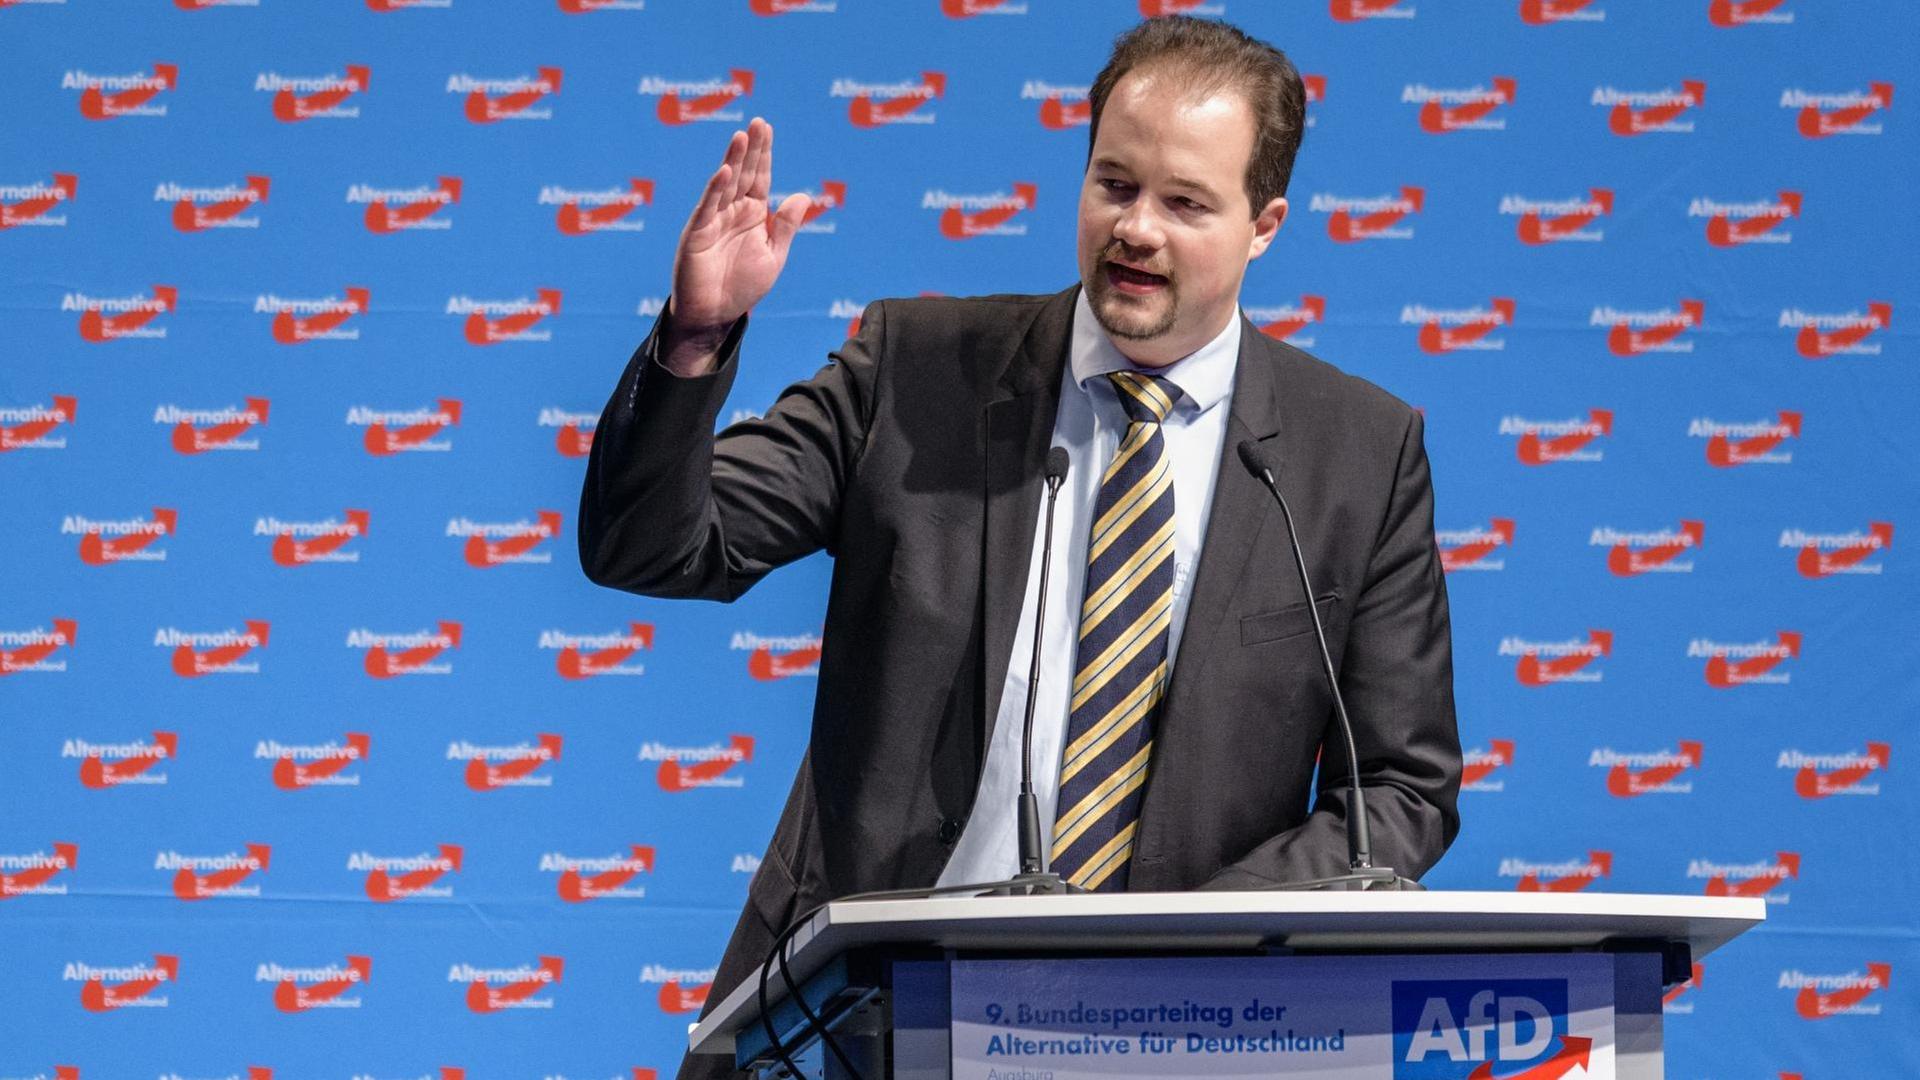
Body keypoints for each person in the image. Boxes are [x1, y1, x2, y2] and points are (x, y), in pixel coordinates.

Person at [577, 17, 1460, 1078]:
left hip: (1175, 1035)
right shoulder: (917, 372)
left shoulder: (1353, 453)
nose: (1136, 229)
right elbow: (655, 547)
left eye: (1185, 203)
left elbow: (1400, 791)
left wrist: (1191, 944)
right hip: (862, 1025)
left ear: (1264, 223)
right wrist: (695, 339)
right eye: (1114, 185)